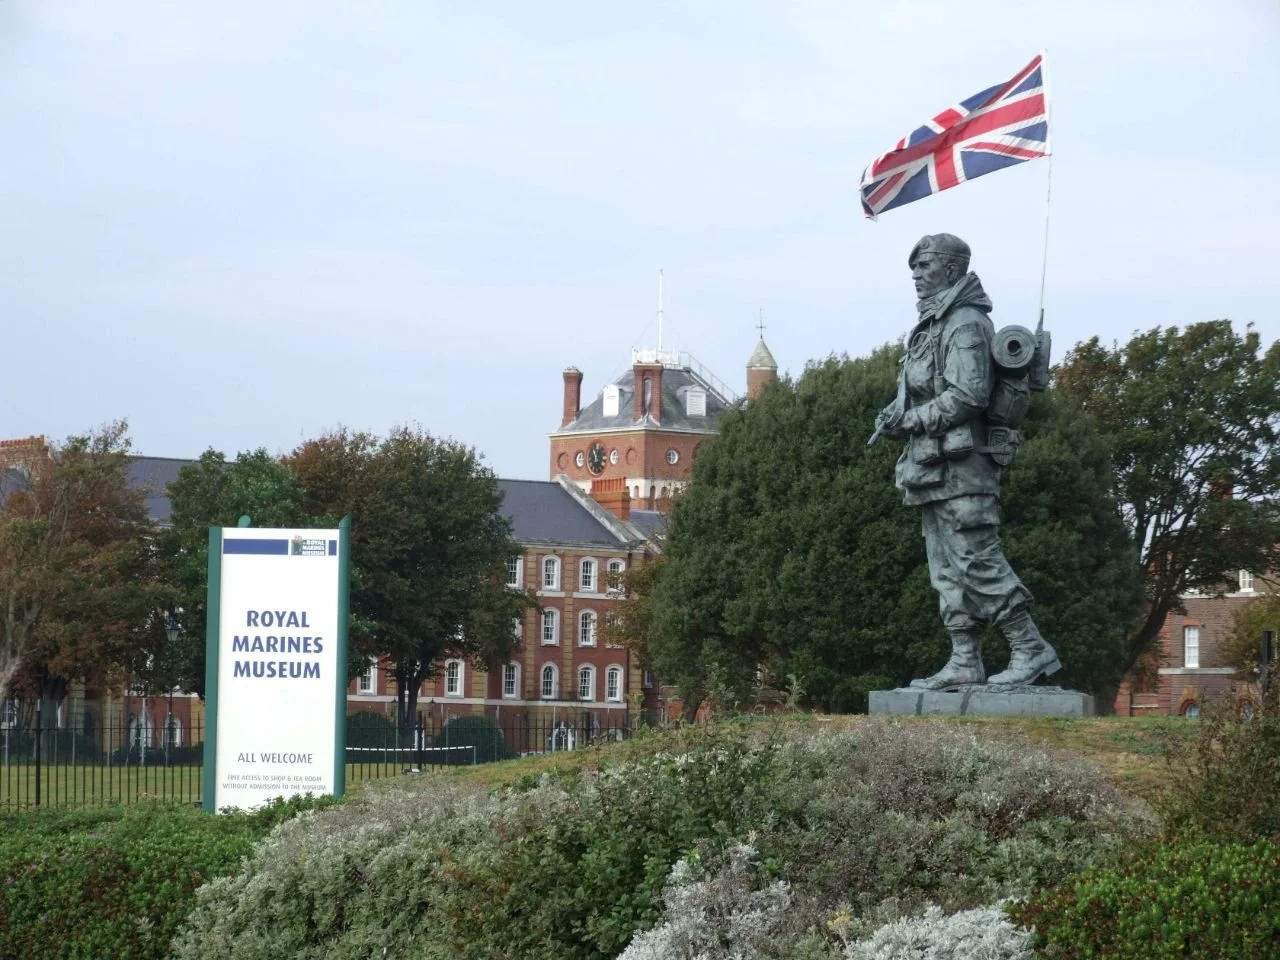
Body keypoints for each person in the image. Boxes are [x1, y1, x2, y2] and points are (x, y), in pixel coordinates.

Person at [874, 233, 1059, 688]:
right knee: (945, 568)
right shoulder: (934, 324)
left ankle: (1029, 647)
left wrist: (913, 420)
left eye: (925, 265)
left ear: (953, 269)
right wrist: (898, 414)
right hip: (932, 468)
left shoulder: (965, 323)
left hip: (965, 467)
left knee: (977, 559)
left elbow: (969, 395)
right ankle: (964, 658)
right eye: (914, 267)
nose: (916, 275)